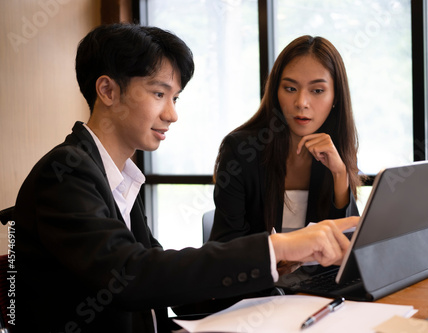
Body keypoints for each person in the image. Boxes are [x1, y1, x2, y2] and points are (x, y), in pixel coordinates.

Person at [13, 24, 358, 333]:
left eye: (175, 98)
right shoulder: (64, 174)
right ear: (107, 91)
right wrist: (276, 247)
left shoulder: (116, 176)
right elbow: (132, 276)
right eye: (159, 94)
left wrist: (267, 277)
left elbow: (164, 280)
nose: (172, 114)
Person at [210, 36, 363, 250]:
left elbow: (347, 251)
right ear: (276, 92)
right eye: (290, 89)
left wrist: (340, 174)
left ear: (336, 97)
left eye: (317, 91)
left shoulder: (337, 151)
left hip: (317, 282)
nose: (301, 102)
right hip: (258, 280)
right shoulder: (240, 151)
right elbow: (225, 248)